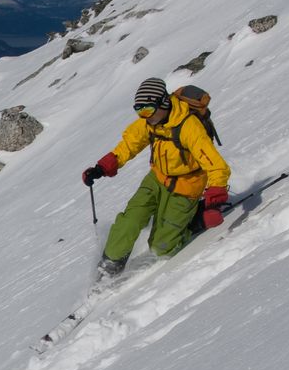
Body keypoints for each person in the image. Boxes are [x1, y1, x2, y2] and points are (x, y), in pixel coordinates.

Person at [81, 77, 231, 277]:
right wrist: (102, 167)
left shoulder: (188, 126)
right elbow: (130, 144)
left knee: (161, 247)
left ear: (164, 103)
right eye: (139, 111)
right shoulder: (150, 122)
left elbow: (216, 165)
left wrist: (215, 195)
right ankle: (110, 265)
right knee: (130, 221)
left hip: (186, 187)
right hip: (157, 179)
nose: (144, 116)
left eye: (147, 111)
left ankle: (195, 220)